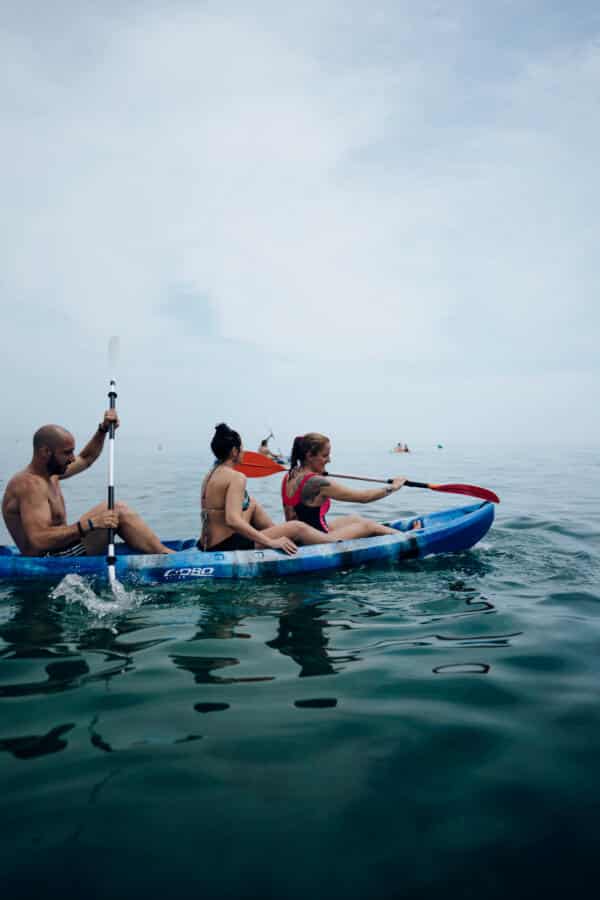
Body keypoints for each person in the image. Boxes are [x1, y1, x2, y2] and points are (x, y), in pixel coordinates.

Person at [2, 411, 173, 557]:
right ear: (45, 452)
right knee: (118, 510)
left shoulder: (50, 475)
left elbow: (86, 459)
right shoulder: (29, 485)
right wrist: (91, 524)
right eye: (67, 453)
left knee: (112, 508)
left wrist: (103, 429)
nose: (72, 458)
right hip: (49, 559)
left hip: (62, 549)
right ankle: (168, 559)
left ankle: (161, 553)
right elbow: (38, 540)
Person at [199, 424, 346, 555]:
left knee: (251, 504)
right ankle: (335, 542)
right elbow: (233, 521)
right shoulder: (236, 477)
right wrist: (271, 542)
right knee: (297, 527)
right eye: (242, 448)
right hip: (227, 546)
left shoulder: (210, 474)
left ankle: (281, 536)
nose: (244, 452)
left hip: (206, 543)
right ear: (234, 451)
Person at [282, 433, 407, 539]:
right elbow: (363, 497)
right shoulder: (318, 482)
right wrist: (393, 487)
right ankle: (407, 537)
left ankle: (390, 533)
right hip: (319, 538)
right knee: (369, 526)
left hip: (300, 537)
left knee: (354, 519)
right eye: (325, 456)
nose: (329, 460)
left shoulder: (289, 476)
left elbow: (292, 516)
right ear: (309, 456)